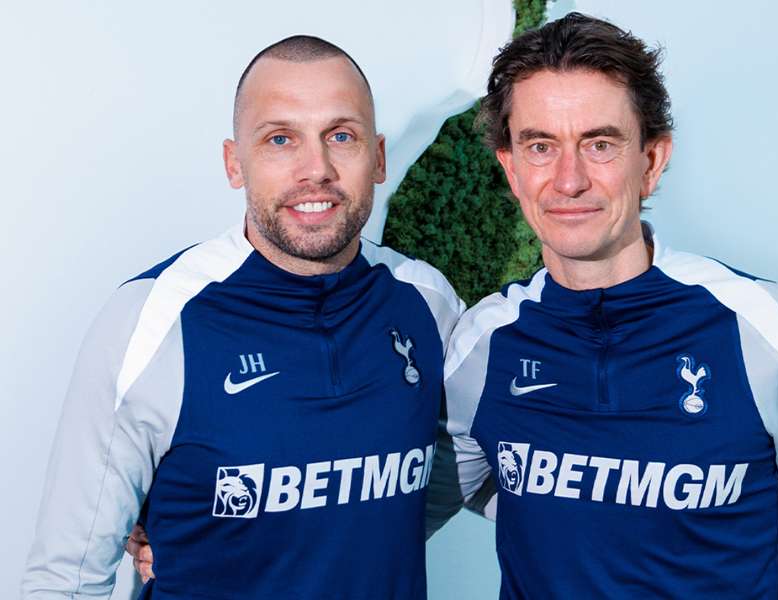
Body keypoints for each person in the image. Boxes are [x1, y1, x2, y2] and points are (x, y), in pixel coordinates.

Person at [443, 12, 778, 599]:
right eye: (540, 146)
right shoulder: (484, 342)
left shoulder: (768, 328)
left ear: (650, 161)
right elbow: (422, 501)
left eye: (599, 144)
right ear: (512, 169)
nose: (569, 180)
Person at [22, 36, 463, 599]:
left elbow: (457, 466)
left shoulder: (427, 303)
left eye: (341, 136)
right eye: (281, 139)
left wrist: (322, 537)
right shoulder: (154, 319)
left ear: (376, 158)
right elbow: (65, 577)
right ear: (236, 163)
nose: (317, 169)